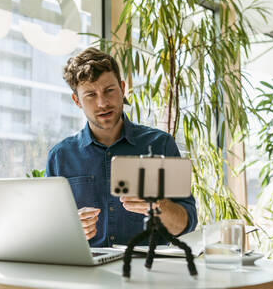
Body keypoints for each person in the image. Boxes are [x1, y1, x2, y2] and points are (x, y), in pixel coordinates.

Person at [46, 47, 197, 247]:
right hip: (87, 274)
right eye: (90, 94)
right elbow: (49, 231)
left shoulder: (161, 145)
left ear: (122, 88)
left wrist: (159, 206)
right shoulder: (60, 156)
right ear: (77, 101)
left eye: (109, 90)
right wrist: (69, 228)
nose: (102, 103)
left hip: (148, 271)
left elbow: (186, 224)